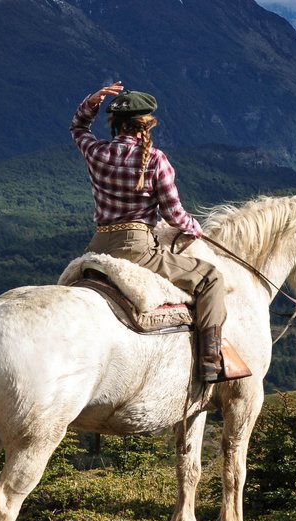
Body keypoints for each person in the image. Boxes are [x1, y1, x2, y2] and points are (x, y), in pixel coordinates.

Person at [70, 81, 245, 383]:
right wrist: (195, 230)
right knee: (211, 278)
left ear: (116, 125)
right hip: (137, 248)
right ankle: (210, 362)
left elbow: (78, 129)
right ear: (146, 126)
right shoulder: (155, 160)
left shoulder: (97, 152)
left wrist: (92, 102)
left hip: (97, 246)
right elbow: (173, 213)